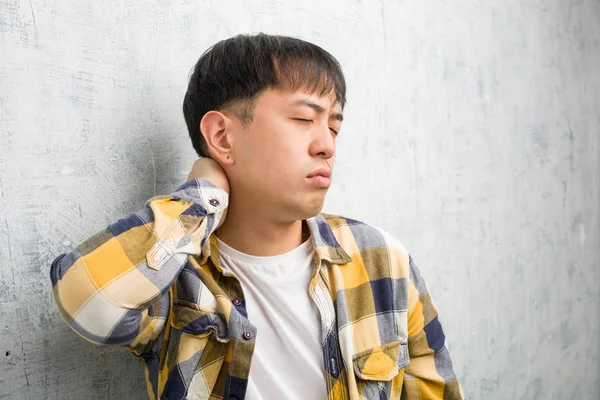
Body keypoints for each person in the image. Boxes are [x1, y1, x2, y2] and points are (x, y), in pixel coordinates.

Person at [50, 33, 464, 400]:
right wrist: (202, 198)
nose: (326, 145)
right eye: (303, 119)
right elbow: (86, 302)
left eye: (334, 127)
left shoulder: (382, 260)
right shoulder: (175, 276)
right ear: (222, 137)